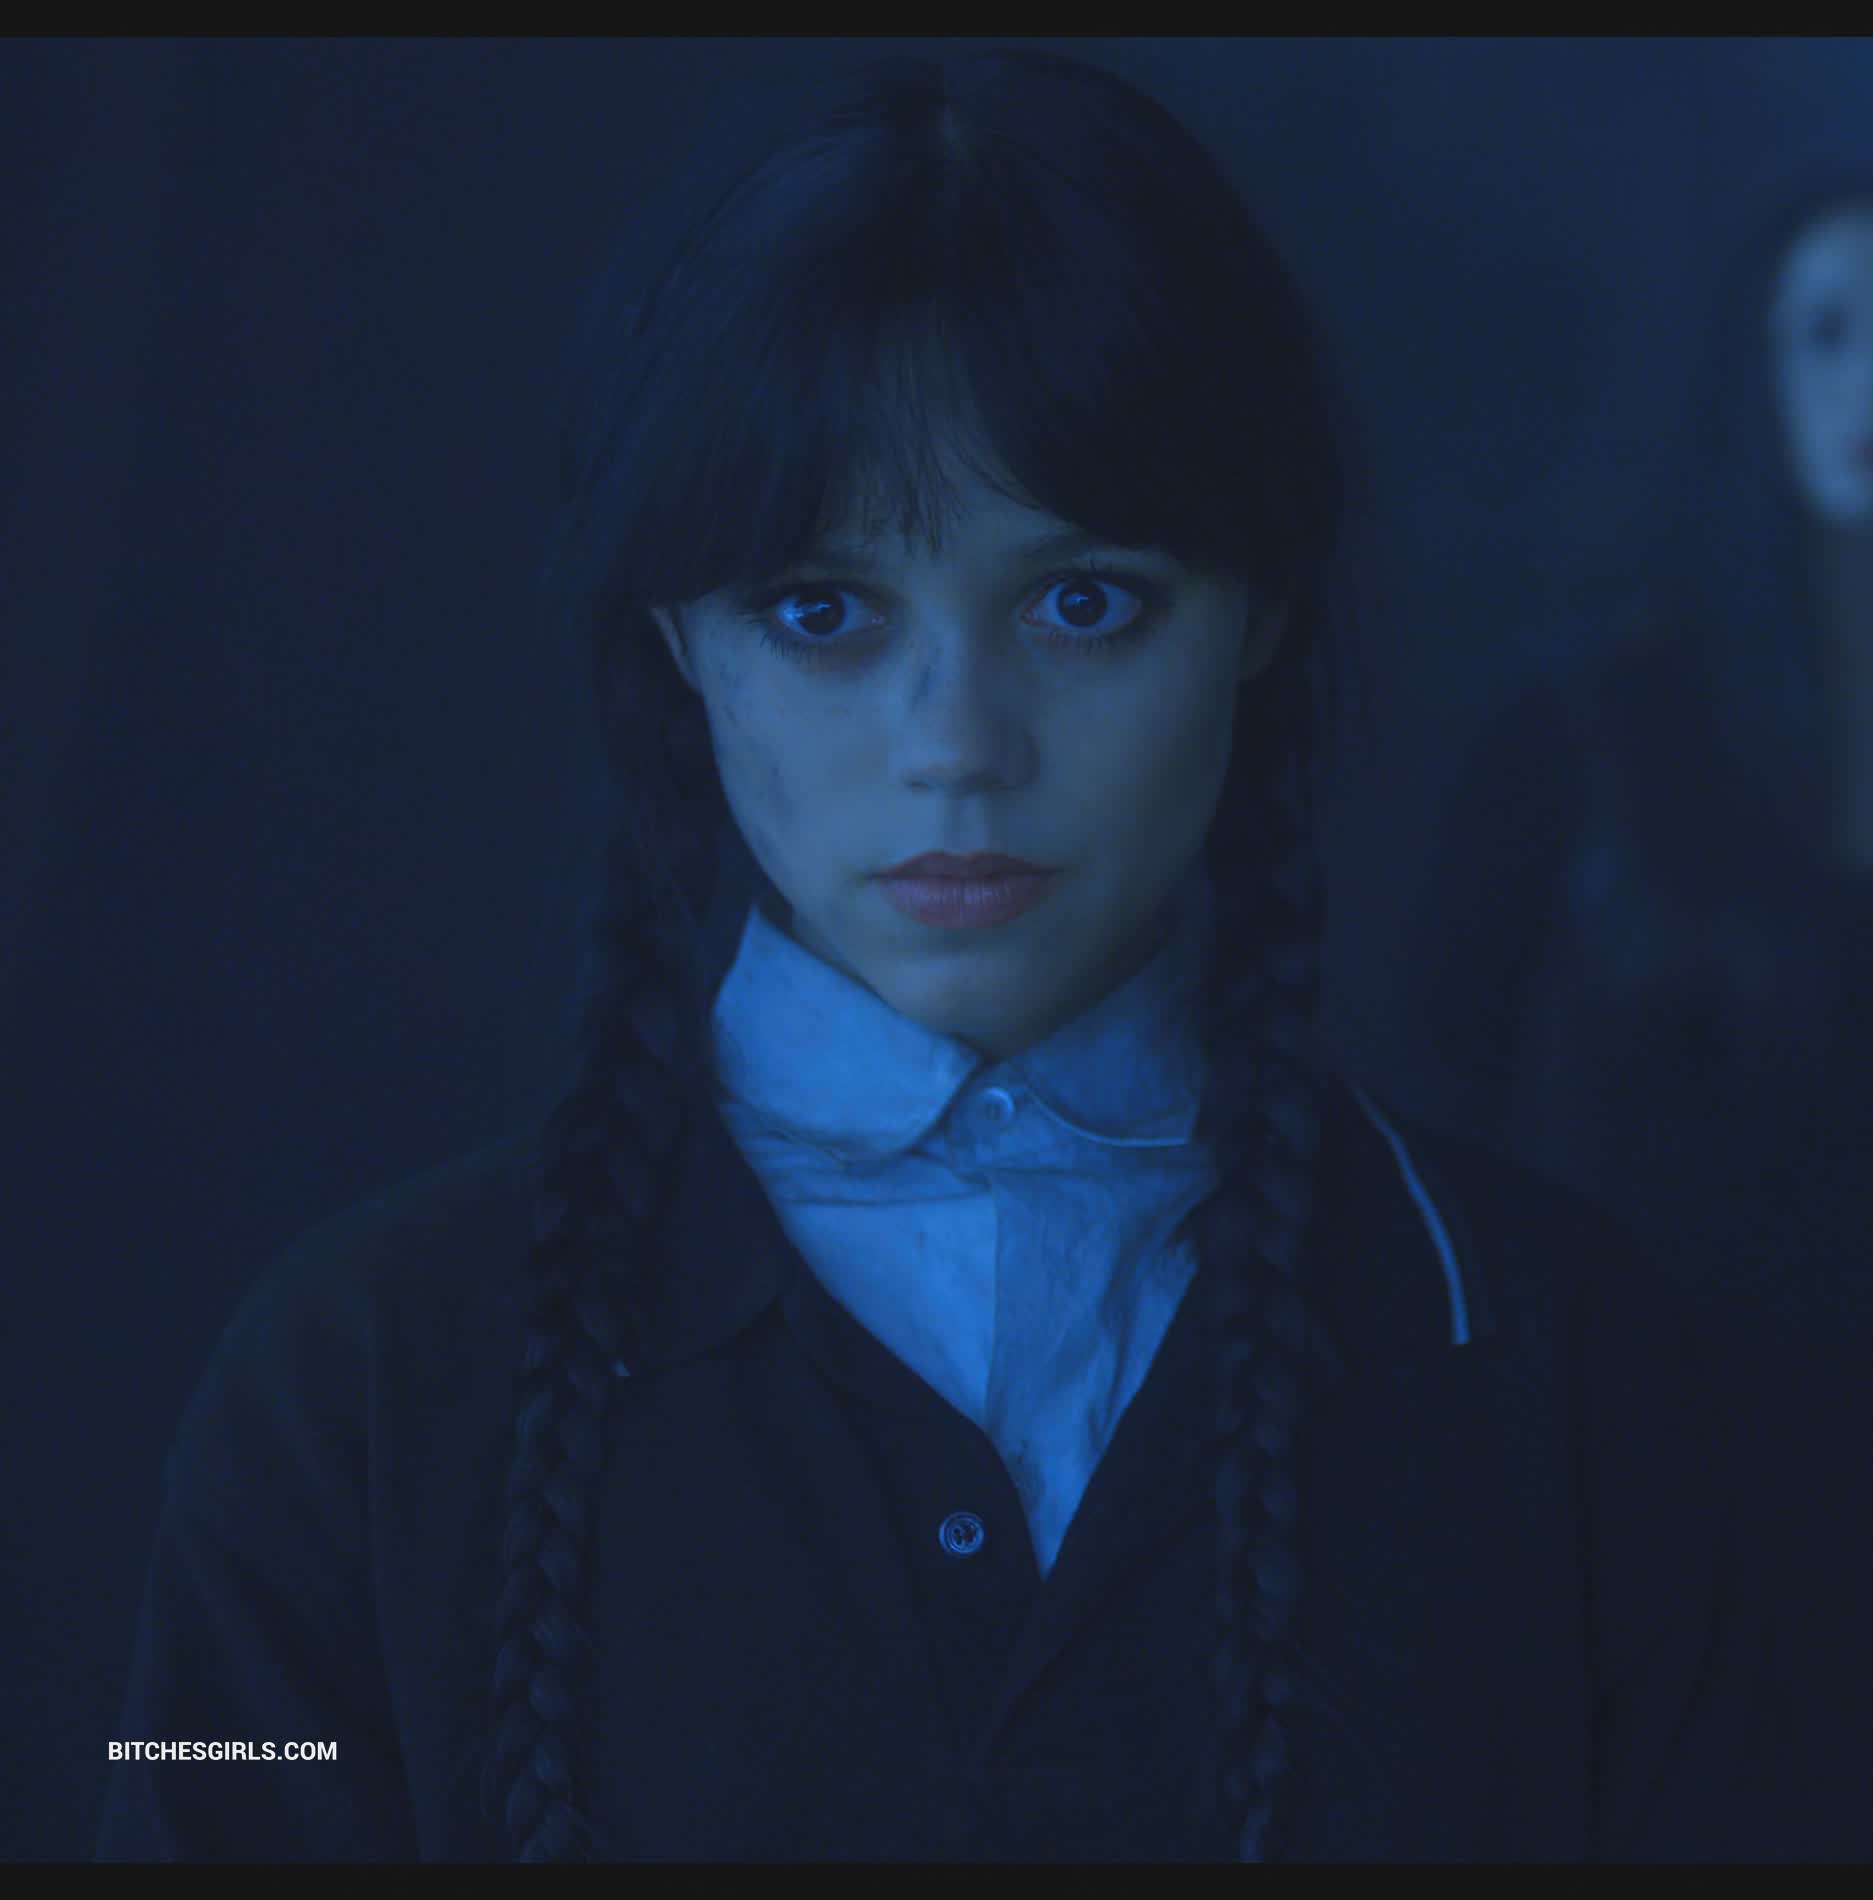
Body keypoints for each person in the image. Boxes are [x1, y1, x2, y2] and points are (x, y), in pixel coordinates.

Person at [96, 46, 1768, 1863]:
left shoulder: (1562, 1367)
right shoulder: (359, 1382)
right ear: (680, 641)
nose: (957, 743)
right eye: (821, 609)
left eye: (1083, 601)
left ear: (1257, 611)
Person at [1410, 173, 1873, 1858]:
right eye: (1825, 332)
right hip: (1661, 1487)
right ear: (1755, 364)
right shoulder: (1589, 729)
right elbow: (1444, 1092)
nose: (1869, 385)